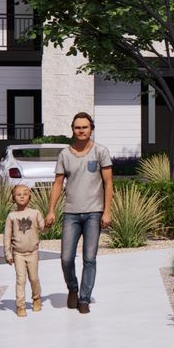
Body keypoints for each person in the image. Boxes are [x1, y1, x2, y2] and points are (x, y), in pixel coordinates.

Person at [46, 112, 113, 315]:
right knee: (66, 258)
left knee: (89, 258)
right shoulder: (65, 155)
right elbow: (58, 183)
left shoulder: (101, 151)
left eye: (85, 127)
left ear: (91, 128)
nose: (81, 130)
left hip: (94, 212)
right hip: (71, 213)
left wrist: (107, 211)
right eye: (77, 127)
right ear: (73, 130)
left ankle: (84, 299)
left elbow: (108, 182)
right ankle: (72, 288)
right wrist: (51, 210)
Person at [4, 183, 46, 317]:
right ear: (13, 198)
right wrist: (8, 253)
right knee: (20, 280)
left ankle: (36, 298)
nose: (22, 197)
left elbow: (44, 229)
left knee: (34, 278)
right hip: (18, 254)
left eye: (25, 194)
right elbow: (7, 236)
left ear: (30, 197)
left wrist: (49, 223)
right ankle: (20, 305)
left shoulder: (35, 213)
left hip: (33, 252)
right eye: (18, 194)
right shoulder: (11, 216)